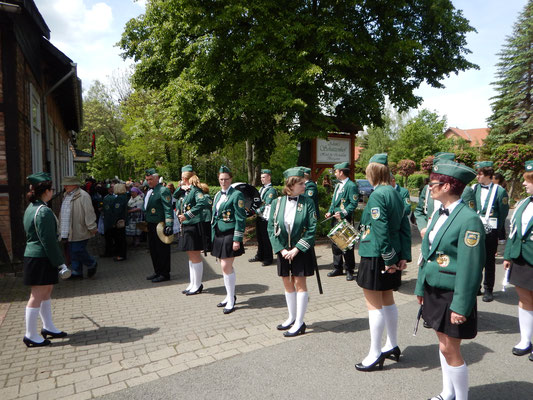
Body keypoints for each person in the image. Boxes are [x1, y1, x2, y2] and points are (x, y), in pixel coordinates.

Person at [415, 160, 485, 400]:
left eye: (432, 183)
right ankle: (448, 393)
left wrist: (461, 305)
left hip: (453, 294)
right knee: (443, 346)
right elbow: (428, 254)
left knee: (450, 349)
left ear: (446, 186)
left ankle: (461, 397)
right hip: (434, 290)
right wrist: (420, 286)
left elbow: (471, 267)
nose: (429, 188)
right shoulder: (438, 213)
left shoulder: (469, 219)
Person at [355, 153, 411, 371]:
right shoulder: (397, 193)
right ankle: (392, 345)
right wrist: (402, 255)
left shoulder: (378, 195)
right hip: (391, 253)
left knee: (373, 305)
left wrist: (388, 259)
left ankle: (375, 352)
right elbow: (405, 227)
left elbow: (380, 229)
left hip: (377, 254)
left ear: (373, 173)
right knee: (387, 299)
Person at [267, 167, 317, 337]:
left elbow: (312, 228)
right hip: (283, 250)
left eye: (304, 183)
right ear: (291, 184)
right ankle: (291, 317)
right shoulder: (277, 202)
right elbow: (270, 228)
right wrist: (281, 250)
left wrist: (297, 249)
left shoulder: (307, 202)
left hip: (300, 250)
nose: (305, 186)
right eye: (301, 183)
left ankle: (300, 322)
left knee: (299, 284)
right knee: (287, 283)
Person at [23, 172, 69, 347]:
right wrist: (60, 262)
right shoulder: (43, 212)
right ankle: (30, 334)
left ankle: (48, 326)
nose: (52, 192)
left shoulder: (32, 208)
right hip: (40, 257)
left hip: (39, 256)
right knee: (37, 295)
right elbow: (48, 241)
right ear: (46, 191)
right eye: (52, 189)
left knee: (47, 290)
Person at [503, 161, 533, 361]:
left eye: (527, 180)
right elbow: (514, 233)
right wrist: (508, 255)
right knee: (524, 300)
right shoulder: (524, 202)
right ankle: (525, 340)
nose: (524, 184)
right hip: (522, 258)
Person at [414, 153, 476, 239]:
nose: (430, 187)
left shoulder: (465, 191)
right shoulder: (429, 188)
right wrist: (423, 228)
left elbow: (468, 221)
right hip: (429, 237)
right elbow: (419, 211)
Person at [211, 165, 247, 314]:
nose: (223, 182)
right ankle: (229, 295)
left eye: (226, 179)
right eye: (221, 179)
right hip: (219, 233)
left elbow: (240, 217)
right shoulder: (218, 195)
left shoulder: (236, 194)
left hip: (230, 233)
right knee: (223, 266)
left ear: (231, 179)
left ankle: (231, 300)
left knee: (226, 265)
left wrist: (237, 239)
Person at [473, 161, 509, 302]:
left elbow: (503, 212)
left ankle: (488, 289)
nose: (477, 177)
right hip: (475, 229)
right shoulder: (474, 188)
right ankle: (476, 286)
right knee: (475, 259)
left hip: (491, 230)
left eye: (480, 174)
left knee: (489, 261)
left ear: (488, 175)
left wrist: (496, 229)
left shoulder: (499, 191)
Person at [173, 165, 210, 295]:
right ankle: (192, 283)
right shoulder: (185, 191)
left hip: (193, 225)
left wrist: (188, 215)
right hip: (186, 226)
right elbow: (175, 196)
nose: (181, 180)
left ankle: (198, 284)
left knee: (194, 255)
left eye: (182, 178)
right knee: (190, 255)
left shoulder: (195, 190)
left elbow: (202, 203)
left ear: (186, 177)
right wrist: (181, 187)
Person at [325, 162, 359, 281]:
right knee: (336, 244)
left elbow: (353, 203)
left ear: (341, 172)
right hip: (335, 217)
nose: (334, 173)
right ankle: (337, 267)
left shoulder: (351, 185)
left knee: (346, 244)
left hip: (344, 219)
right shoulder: (338, 185)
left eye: (336, 171)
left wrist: (343, 213)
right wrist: (330, 211)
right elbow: (334, 202)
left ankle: (349, 270)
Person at [59, 176, 98, 279]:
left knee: (77, 250)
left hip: (80, 228)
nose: (65, 186)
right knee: (72, 251)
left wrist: (92, 227)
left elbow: (89, 212)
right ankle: (77, 272)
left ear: (75, 185)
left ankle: (91, 263)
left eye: (67, 184)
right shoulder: (66, 195)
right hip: (68, 229)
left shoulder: (83, 196)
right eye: (64, 184)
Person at [143, 168, 174, 283]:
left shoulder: (162, 190)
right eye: (147, 179)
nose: (149, 181)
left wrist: (169, 224)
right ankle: (157, 271)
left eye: (151, 179)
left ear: (156, 178)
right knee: (153, 249)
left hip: (160, 225)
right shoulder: (150, 191)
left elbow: (168, 208)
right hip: (151, 224)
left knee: (162, 250)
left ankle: (164, 273)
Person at [249, 169, 277, 266]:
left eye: (264, 177)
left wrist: (256, 211)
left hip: (266, 218)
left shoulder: (271, 190)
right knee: (259, 238)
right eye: (261, 177)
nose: (262, 179)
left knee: (266, 239)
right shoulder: (261, 189)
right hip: (259, 217)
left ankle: (268, 258)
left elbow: (268, 203)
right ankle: (260, 255)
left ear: (269, 177)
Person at [111, 183, 128, 261]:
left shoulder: (119, 198)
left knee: (120, 239)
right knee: (122, 238)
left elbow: (117, 211)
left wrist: (114, 222)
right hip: (123, 219)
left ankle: (121, 255)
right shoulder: (124, 197)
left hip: (119, 221)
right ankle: (122, 254)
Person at [493, 172, 508, 244]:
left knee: (501, 222)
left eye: (493, 178)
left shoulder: (500, 189)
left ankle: (502, 237)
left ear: (497, 180)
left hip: (499, 208)